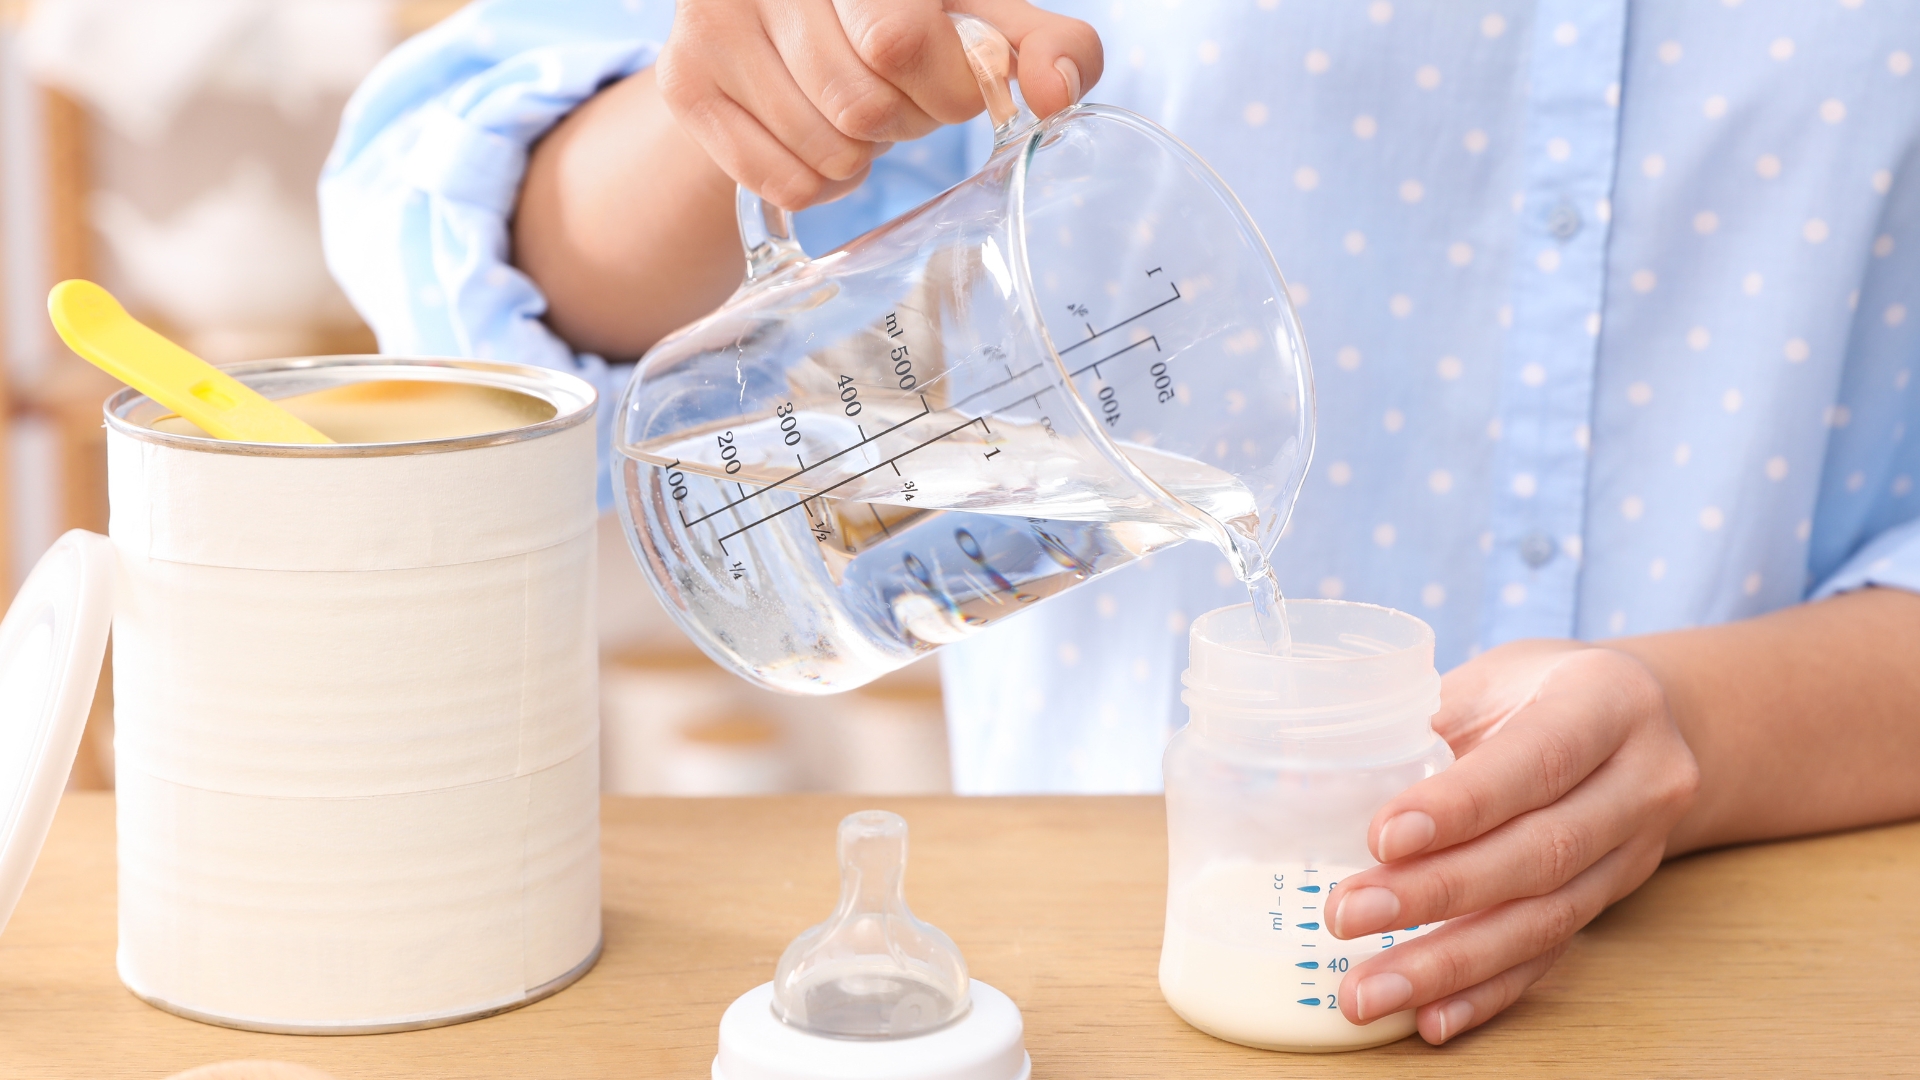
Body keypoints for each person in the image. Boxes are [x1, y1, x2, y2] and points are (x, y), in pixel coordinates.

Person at [319, 0, 1920, 1046]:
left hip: (1784, 982)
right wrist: (751, 102)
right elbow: (439, 212)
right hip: (1099, 1003)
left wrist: (1706, 729)